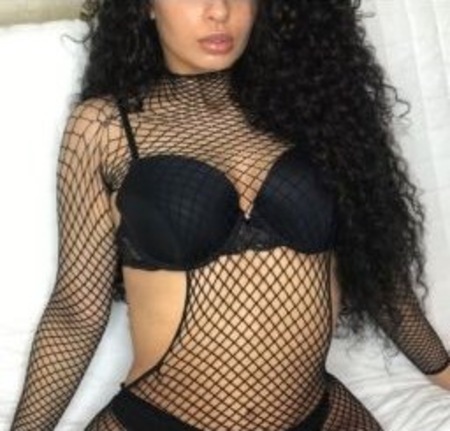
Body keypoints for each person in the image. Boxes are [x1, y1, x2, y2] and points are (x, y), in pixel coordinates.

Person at [10, 0, 450, 430]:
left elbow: (383, 280)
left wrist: (445, 373)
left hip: (319, 415)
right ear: (144, 6)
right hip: (161, 421)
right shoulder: (105, 128)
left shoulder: (315, 108)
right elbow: (76, 311)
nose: (219, 11)